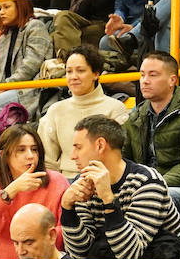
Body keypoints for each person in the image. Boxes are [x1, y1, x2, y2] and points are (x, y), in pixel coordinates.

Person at [60, 115, 180, 259]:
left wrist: (109, 200)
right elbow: (78, 253)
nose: (72, 156)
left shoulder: (147, 181)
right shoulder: (82, 182)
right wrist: (68, 209)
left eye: (78, 147)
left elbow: (130, 253)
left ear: (100, 145)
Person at [123, 52, 180, 219]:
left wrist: (152, 185)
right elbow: (121, 159)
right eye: (142, 75)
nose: (145, 80)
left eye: (153, 75)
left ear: (172, 80)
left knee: (152, 199)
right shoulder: (138, 115)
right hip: (144, 188)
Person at [0, 125, 70, 259]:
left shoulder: (57, 180)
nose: (30, 156)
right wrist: (11, 190)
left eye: (34, 149)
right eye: (21, 150)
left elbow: (67, 230)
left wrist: (33, 241)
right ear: (4, 155)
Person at [39, 46, 129, 175]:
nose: (73, 77)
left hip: (104, 180)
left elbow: (119, 157)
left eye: (80, 71)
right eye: (69, 71)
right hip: (64, 184)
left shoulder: (115, 108)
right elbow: (47, 160)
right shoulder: (55, 110)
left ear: (96, 73)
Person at [0, 0, 52, 114]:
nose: (1, 12)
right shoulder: (4, 36)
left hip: (28, 90)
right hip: (8, 88)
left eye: (6, 7)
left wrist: (3, 87)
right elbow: (0, 70)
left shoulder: (36, 26)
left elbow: (31, 66)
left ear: (20, 7)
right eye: (0, 8)